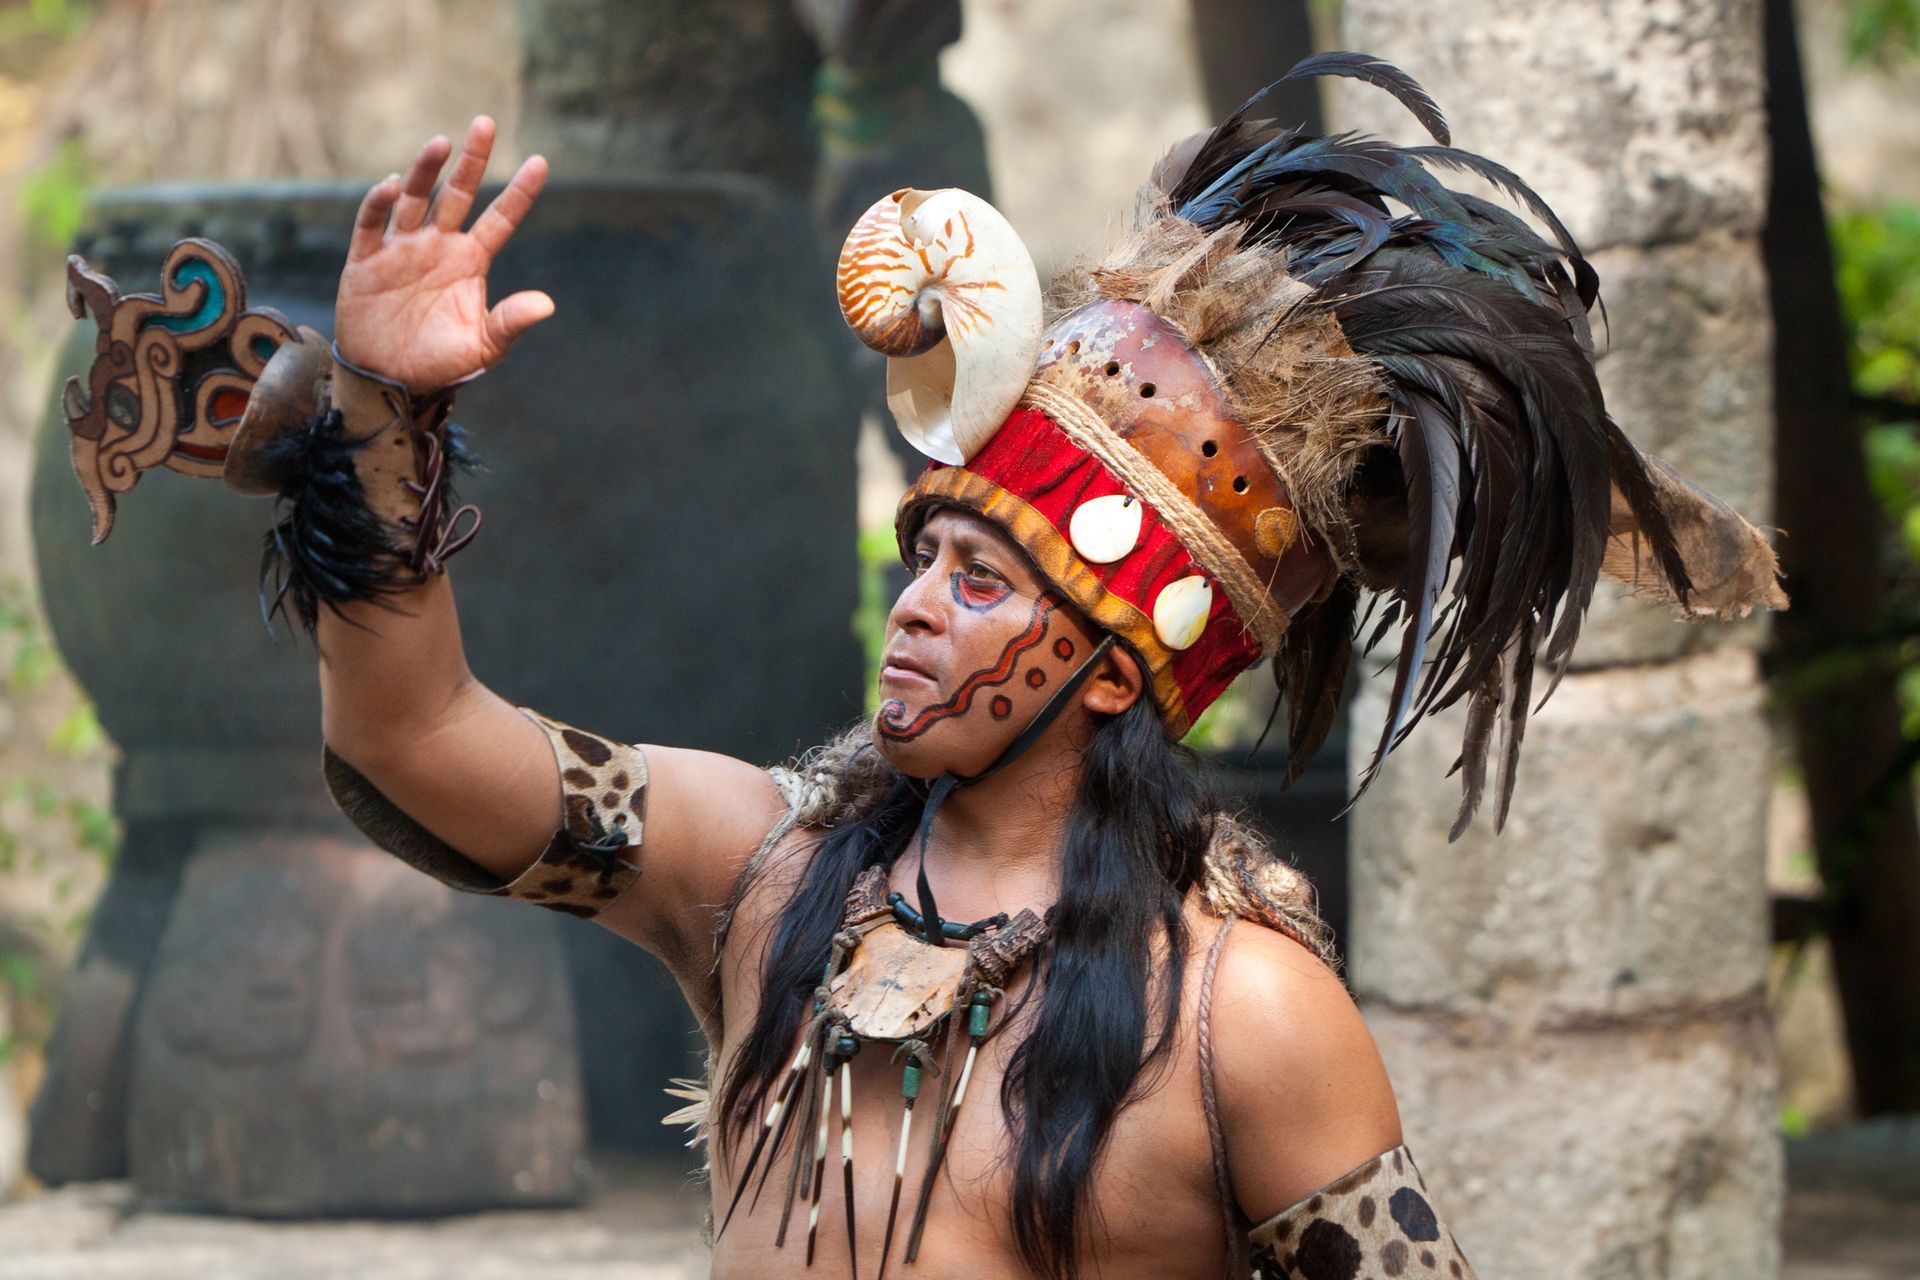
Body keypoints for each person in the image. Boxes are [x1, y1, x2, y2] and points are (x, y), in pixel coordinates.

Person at [62, 53, 1786, 1280]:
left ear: (1114, 668)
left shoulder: (1244, 1018)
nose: (913, 610)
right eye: (923, 564)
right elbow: (418, 740)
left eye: (982, 582)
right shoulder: (759, 877)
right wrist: (383, 416)